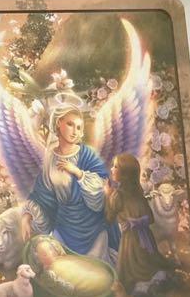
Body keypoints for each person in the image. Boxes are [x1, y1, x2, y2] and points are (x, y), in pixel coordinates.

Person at [20, 104, 120, 260]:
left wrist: (78, 172)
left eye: (79, 127)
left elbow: (103, 190)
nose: (75, 131)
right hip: (63, 227)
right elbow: (43, 194)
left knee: (93, 269)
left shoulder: (88, 155)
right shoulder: (50, 158)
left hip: (92, 228)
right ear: (58, 123)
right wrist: (27, 216)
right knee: (59, 265)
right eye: (70, 124)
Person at [105, 153, 176, 297]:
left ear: (125, 173)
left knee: (129, 276)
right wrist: (138, 222)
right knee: (150, 266)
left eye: (115, 167)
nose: (111, 169)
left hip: (130, 244)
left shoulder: (117, 196)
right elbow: (150, 218)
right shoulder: (138, 193)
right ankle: (155, 285)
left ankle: (148, 291)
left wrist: (107, 195)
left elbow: (109, 218)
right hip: (147, 240)